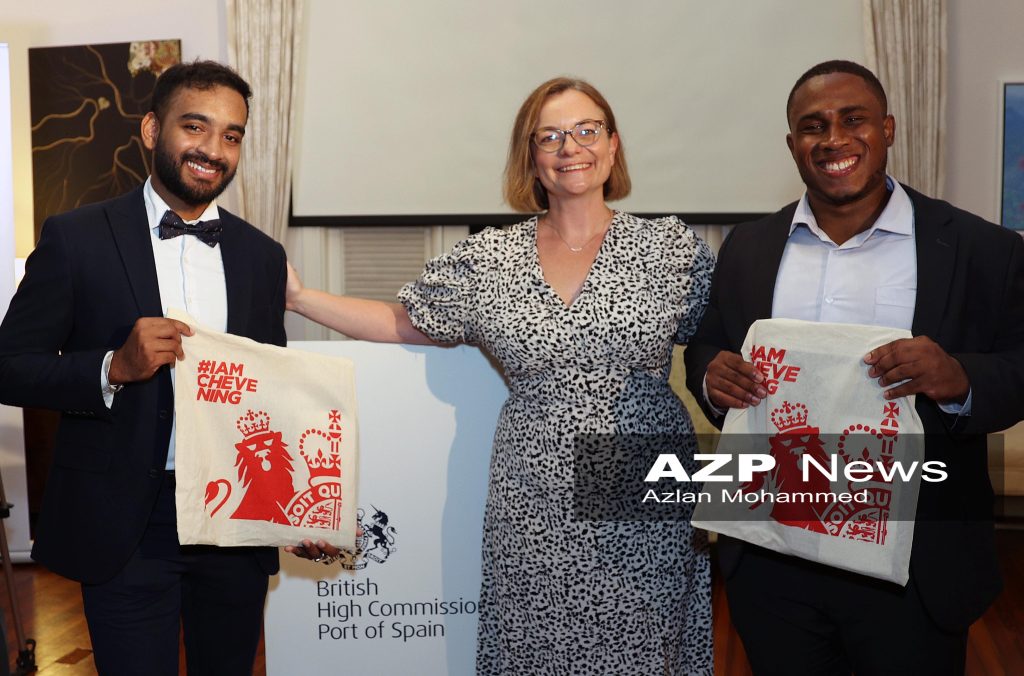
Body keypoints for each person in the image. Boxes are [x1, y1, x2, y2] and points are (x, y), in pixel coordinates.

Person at [285, 77, 715, 674]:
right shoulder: (489, 259)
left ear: (613, 145)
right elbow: (407, 322)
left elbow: (723, 351)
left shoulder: (672, 249)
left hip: (644, 482)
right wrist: (302, 298)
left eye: (588, 130)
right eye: (552, 136)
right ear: (532, 158)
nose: (572, 147)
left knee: (643, 648)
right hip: (532, 490)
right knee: (535, 649)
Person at [685, 60, 1024, 674]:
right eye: (813, 126)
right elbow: (708, 346)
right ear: (793, 145)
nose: (834, 139)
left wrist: (962, 379)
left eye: (853, 119)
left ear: (888, 129)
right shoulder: (747, 247)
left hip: (912, 564)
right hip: (771, 556)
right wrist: (712, 376)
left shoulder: (982, 249)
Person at [0, 61, 288, 675]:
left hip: (234, 520)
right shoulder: (75, 238)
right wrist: (111, 367)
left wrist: (298, 505)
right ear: (152, 130)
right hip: (125, 522)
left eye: (232, 135)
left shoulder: (262, 257)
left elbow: (270, 395)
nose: (214, 150)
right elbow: (9, 366)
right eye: (196, 126)